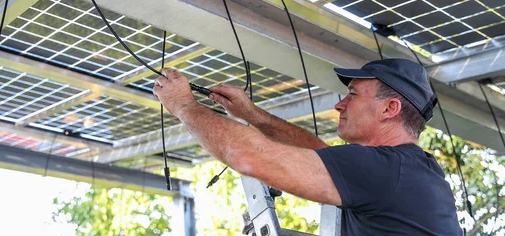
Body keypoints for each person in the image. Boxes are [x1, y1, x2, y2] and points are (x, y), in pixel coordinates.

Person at [153, 58, 463, 235]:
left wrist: (184, 106)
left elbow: (249, 157)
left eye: (353, 94)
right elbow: (322, 155)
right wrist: (252, 115)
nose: (340, 104)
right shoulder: (410, 169)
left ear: (389, 109)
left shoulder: (387, 169)